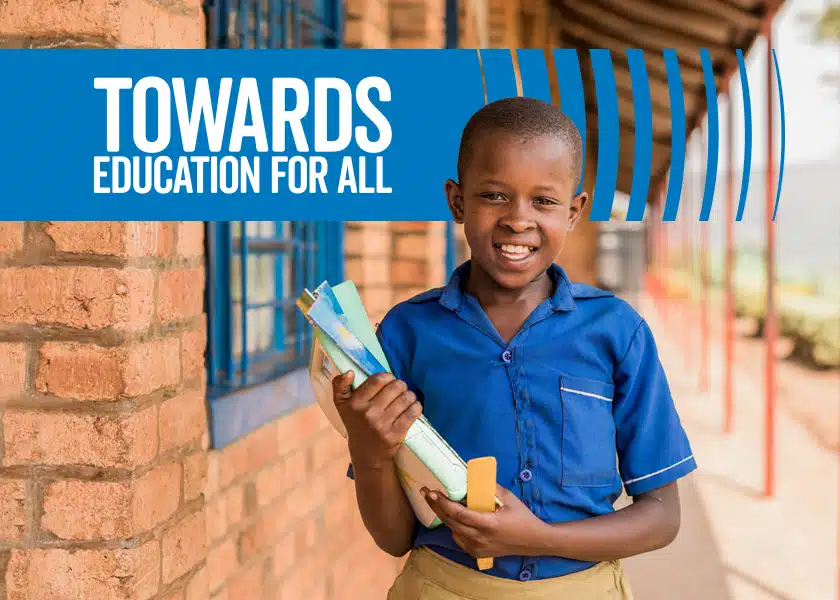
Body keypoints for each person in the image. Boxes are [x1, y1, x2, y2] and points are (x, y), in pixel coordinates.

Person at [331, 97, 696, 599]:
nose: (518, 220)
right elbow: (394, 538)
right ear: (458, 202)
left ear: (574, 212)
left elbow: (662, 516)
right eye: (494, 196)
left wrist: (539, 538)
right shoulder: (408, 333)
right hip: (444, 587)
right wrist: (368, 450)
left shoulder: (617, 332)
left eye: (543, 201)